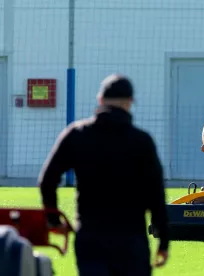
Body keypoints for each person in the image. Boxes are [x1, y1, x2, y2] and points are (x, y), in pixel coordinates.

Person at [38, 74, 169, 276]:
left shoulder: (77, 134)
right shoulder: (141, 141)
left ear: (100, 100)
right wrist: (163, 239)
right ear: (130, 102)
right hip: (130, 239)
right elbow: (156, 194)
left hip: (90, 238)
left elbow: (47, 180)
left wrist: (54, 220)